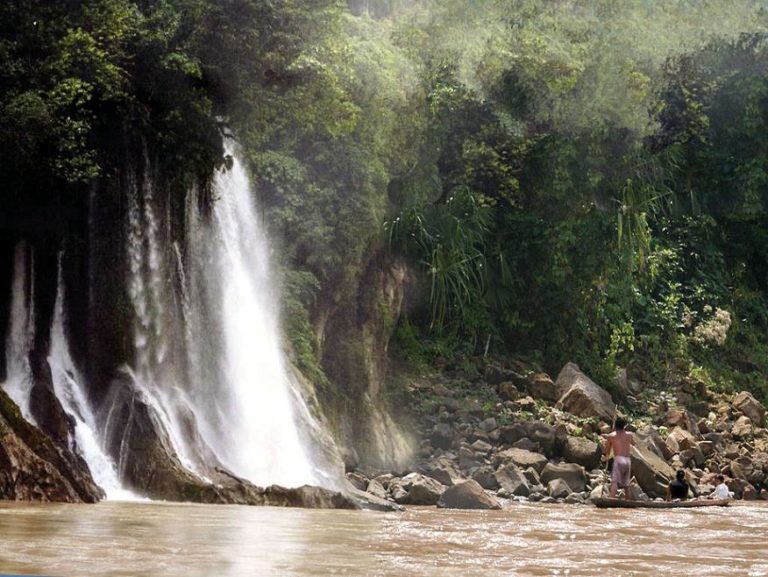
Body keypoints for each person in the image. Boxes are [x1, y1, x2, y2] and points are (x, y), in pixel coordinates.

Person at [603, 417, 633, 499]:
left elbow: (607, 451)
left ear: (615, 426)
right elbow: (633, 443)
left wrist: (606, 450)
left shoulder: (611, 436)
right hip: (627, 460)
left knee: (615, 482)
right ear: (624, 426)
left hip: (618, 459)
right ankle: (628, 501)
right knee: (626, 484)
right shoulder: (630, 435)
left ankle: (611, 499)